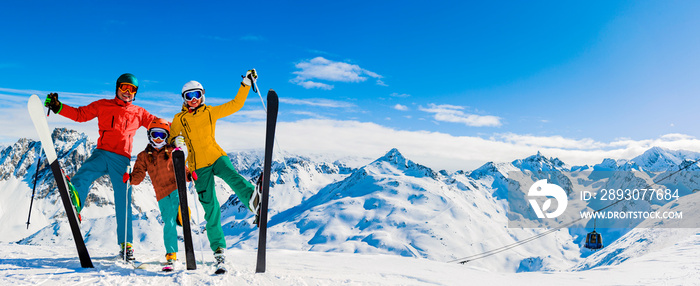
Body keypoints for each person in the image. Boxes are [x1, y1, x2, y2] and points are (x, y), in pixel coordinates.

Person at [44, 73, 156, 260]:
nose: (127, 92)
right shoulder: (103, 105)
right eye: (124, 87)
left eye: (132, 89)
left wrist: (177, 130)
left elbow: (158, 124)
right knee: (83, 174)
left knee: (123, 200)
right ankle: (76, 203)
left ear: (135, 93)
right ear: (117, 88)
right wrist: (58, 107)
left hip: (121, 159)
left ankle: (126, 244)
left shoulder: (139, 112)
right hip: (102, 153)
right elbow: (80, 115)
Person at [169, 69, 261, 273]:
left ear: (202, 96)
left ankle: (255, 202)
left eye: (196, 95)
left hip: (216, 156)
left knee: (232, 176)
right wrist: (175, 141)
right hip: (198, 167)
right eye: (188, 96)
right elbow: (171, 138)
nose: (193, 99)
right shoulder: (179, 119)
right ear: (184, 99)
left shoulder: (210, 112)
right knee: (211, 208)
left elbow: (235, 105)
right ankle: (219, 251)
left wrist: (245, 84)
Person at [127, 118, 187, 271]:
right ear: (149, 136)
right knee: (169, 222)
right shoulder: (143, 156)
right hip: (161, 194)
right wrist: (130, 179)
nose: (158, 139)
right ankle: (171, 254)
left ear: (167, 137)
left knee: (173, 220)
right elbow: (139, 175)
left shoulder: (173, 151)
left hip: (176, 188)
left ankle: (173, 252)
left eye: (162, 135)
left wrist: (189, 175)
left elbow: (182, 169)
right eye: (155, 135)